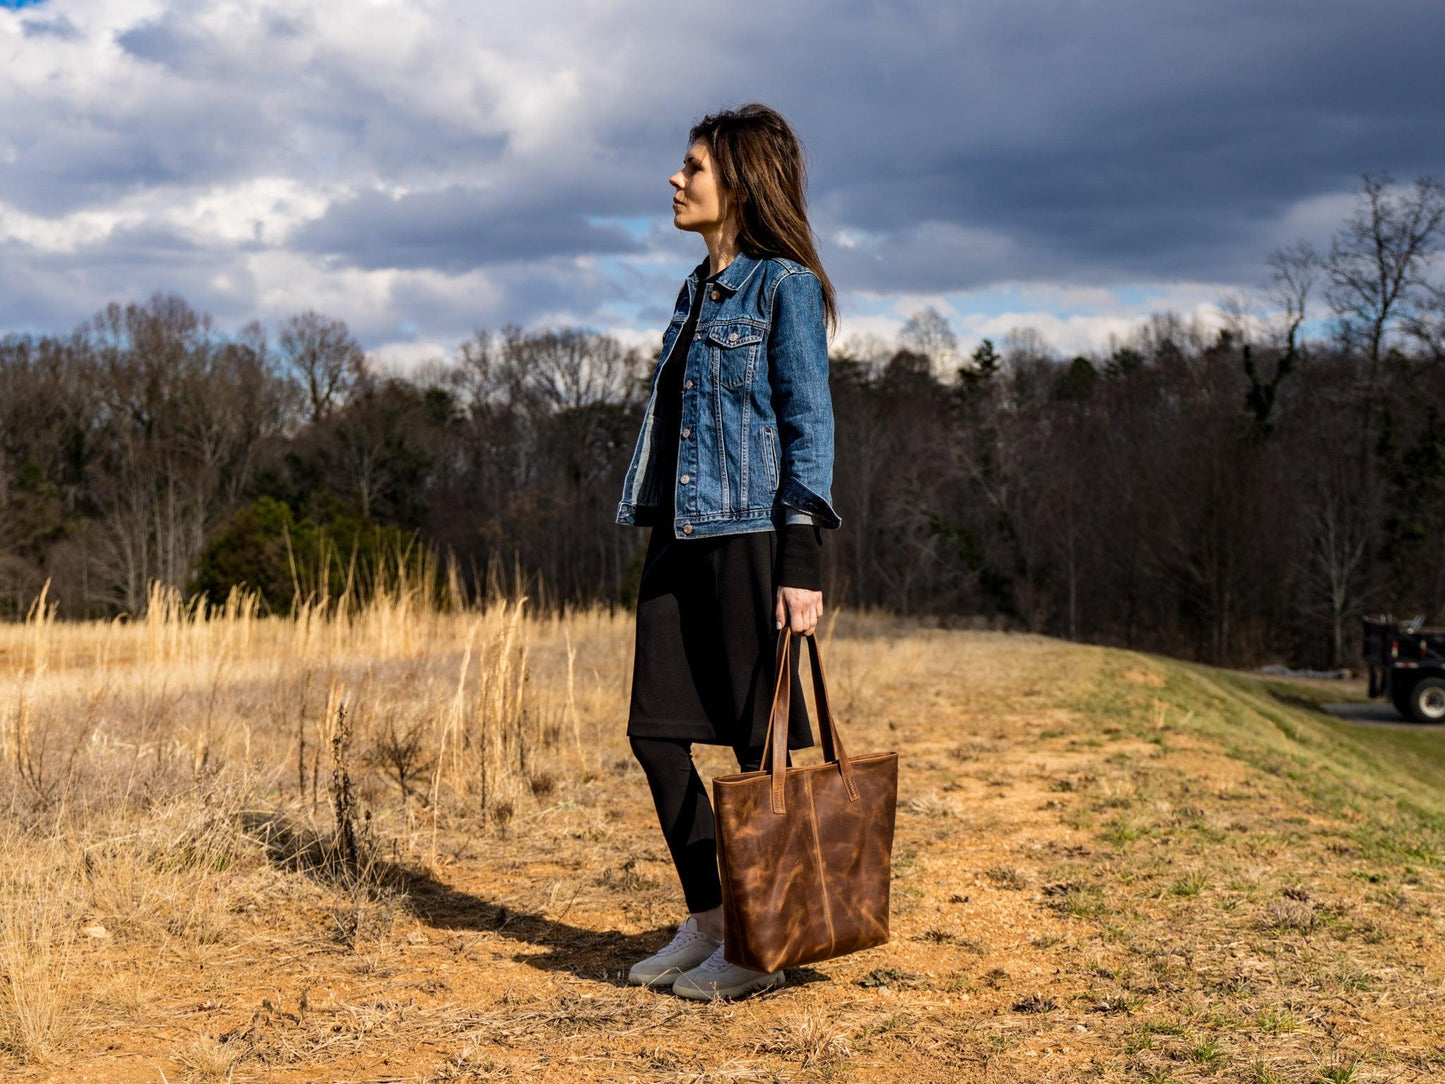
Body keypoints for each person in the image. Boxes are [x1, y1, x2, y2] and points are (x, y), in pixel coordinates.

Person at [614, 103, 842, 1001]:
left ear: (739, 182)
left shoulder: (781, 288)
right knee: (655, 733)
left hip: (752, 537)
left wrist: (800, 564)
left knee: (761, 752)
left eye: (693, 168)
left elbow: (807, 427)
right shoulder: (692, 291)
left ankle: (762, 944)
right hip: (680, 533)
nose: (675, 180)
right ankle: (711, 917)